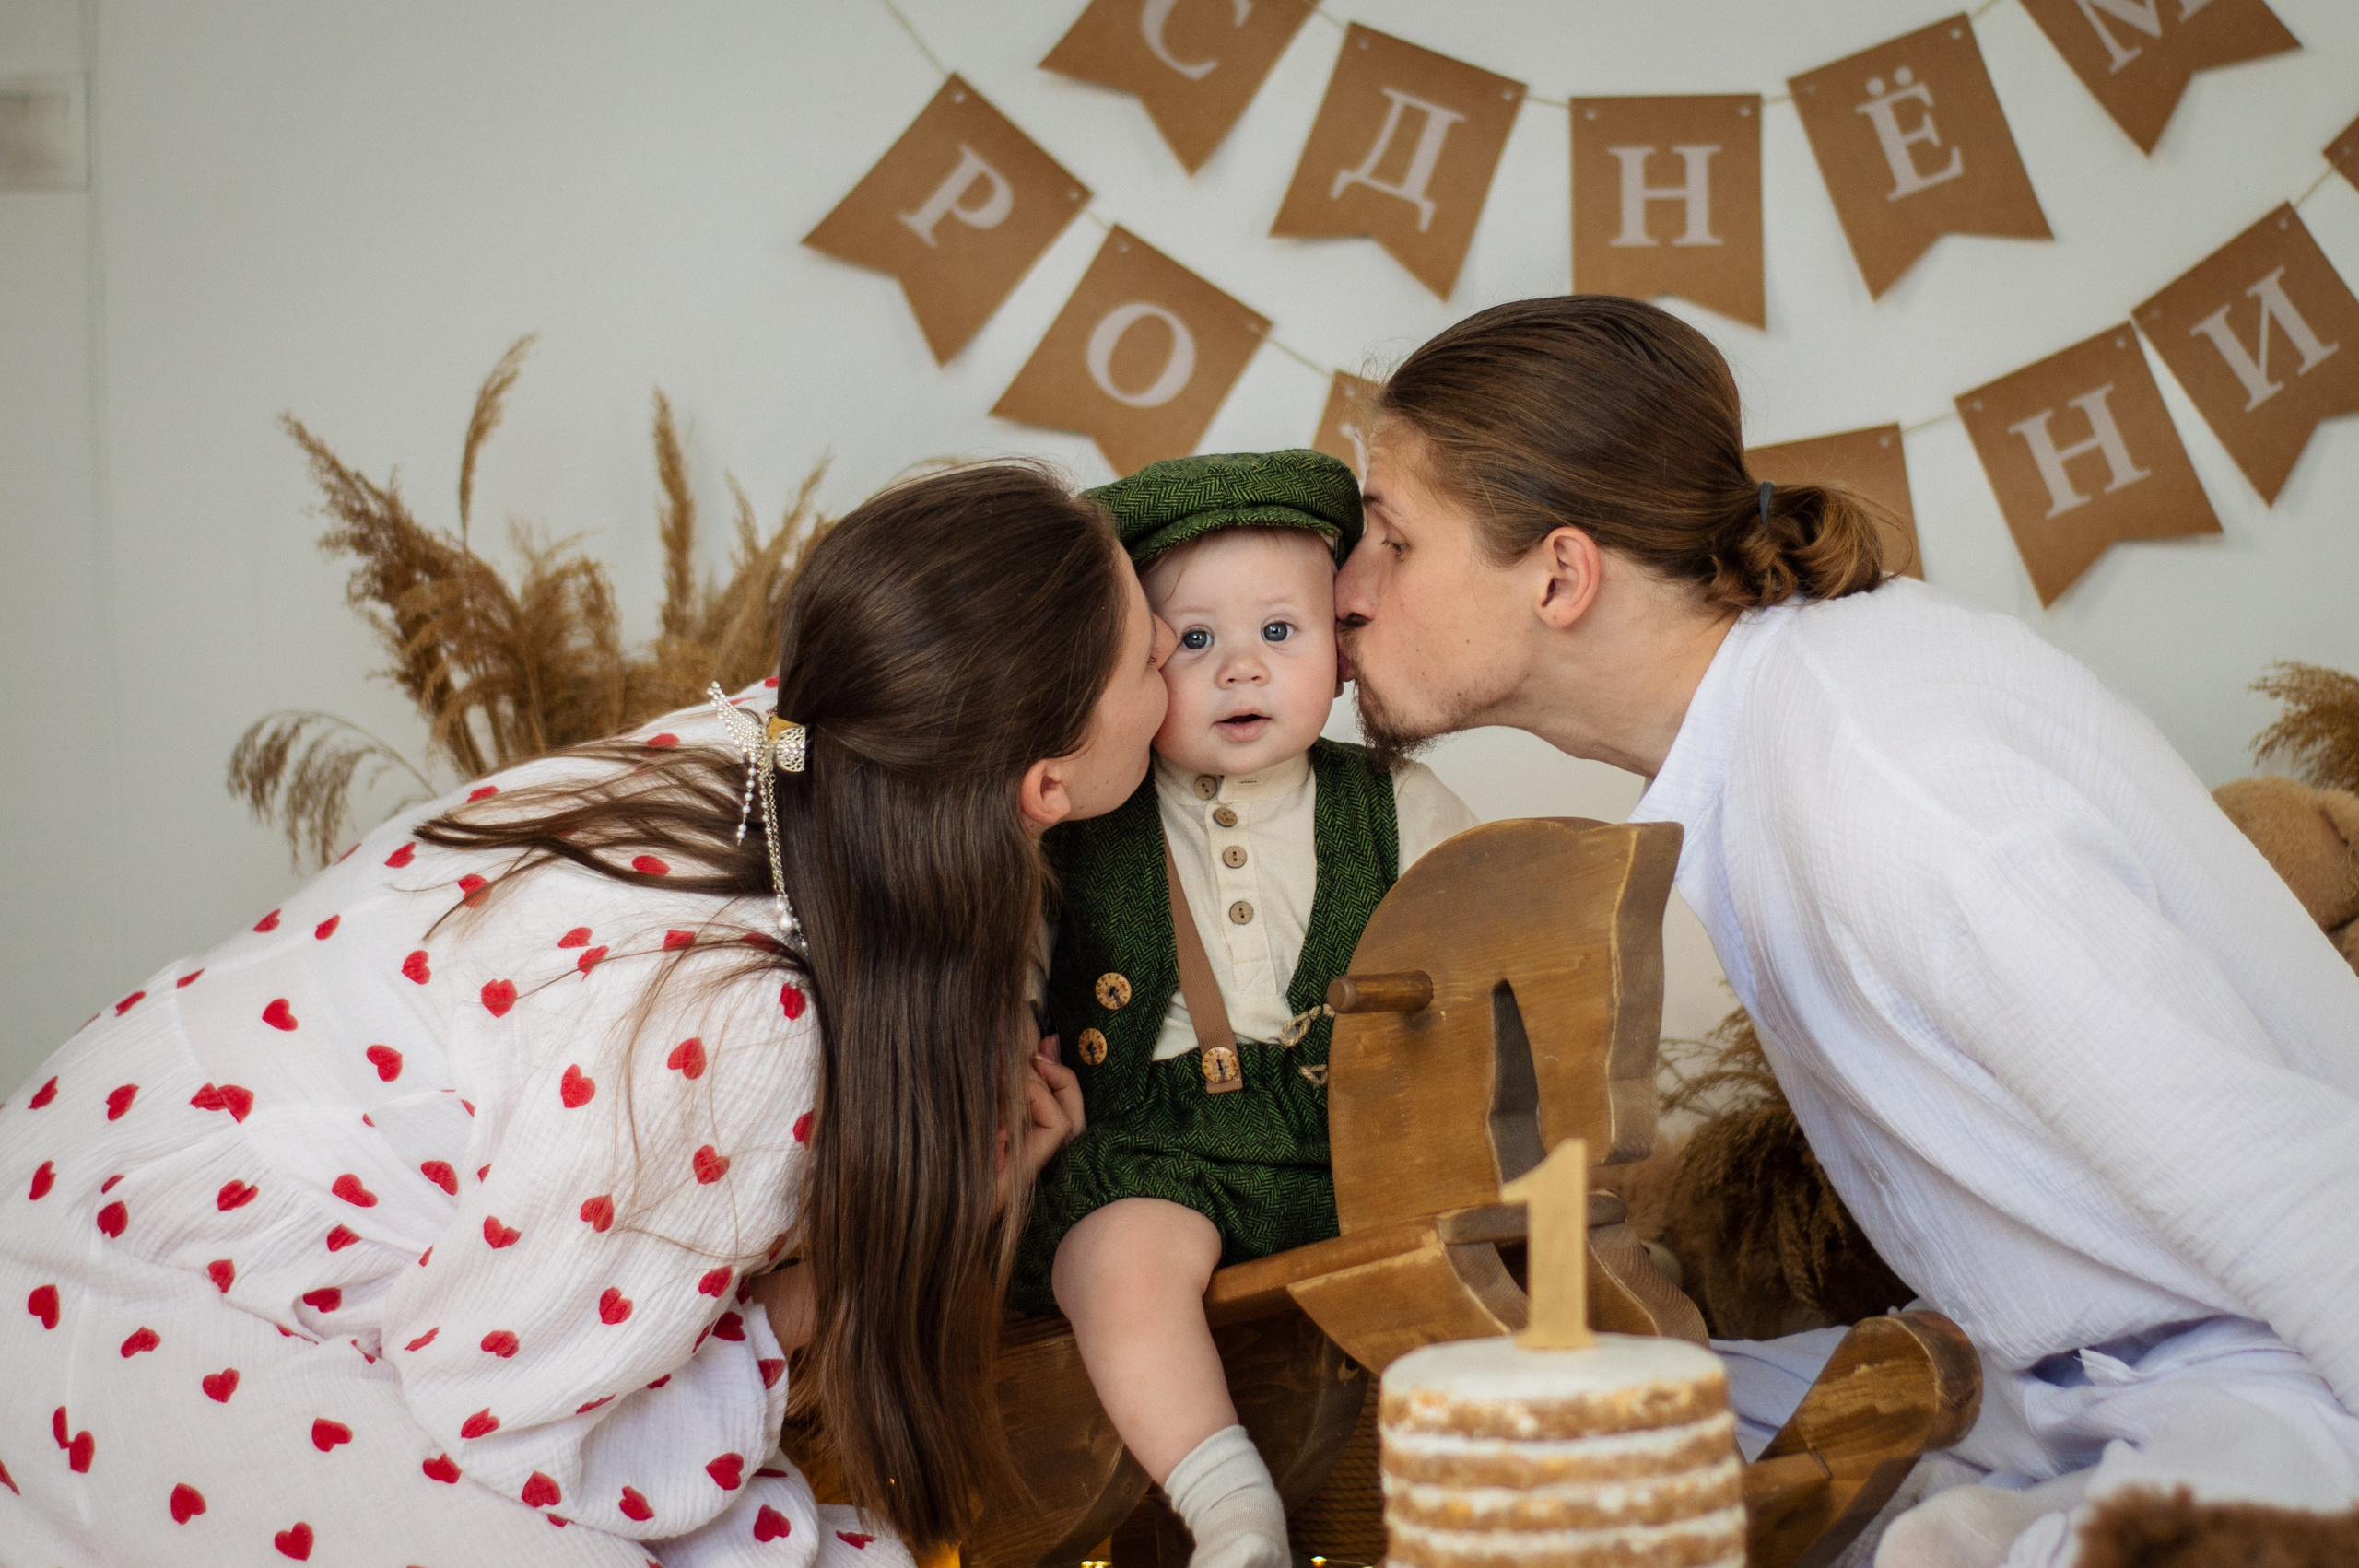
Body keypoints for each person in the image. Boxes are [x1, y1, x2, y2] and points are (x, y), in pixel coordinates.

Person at [1331, 295, 2359, 1567]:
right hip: (2051, 1380)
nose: (1346, 590)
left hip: (2267, 1382)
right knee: (1514, 1445)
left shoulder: (1888, 782)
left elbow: (2295, 1176)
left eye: (1390, 538)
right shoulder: (1772, 737)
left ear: (1559, 571)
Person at [0, 462, 1176, 1567]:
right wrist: (840, 1278)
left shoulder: (811, 735)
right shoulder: (738, 1025)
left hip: (121, 1122)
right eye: (1149, 658)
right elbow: (508, 1412)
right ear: (1044, 786)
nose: (1176, 647)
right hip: (148, 1287)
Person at [1014, 452, 1475, 1568]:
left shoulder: (1398, 805)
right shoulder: (1086, 816)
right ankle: (1227, 1505)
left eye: (1279, 633)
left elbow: (1481, 957)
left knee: (1461, 1233)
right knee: (1114, 1256)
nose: (1238, 673)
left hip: (1352, 1143)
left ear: (1339, 646)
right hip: (1152, 1146)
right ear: (1127, 668)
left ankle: (1489, 1480)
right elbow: (1007, 975)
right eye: (1192, 643)